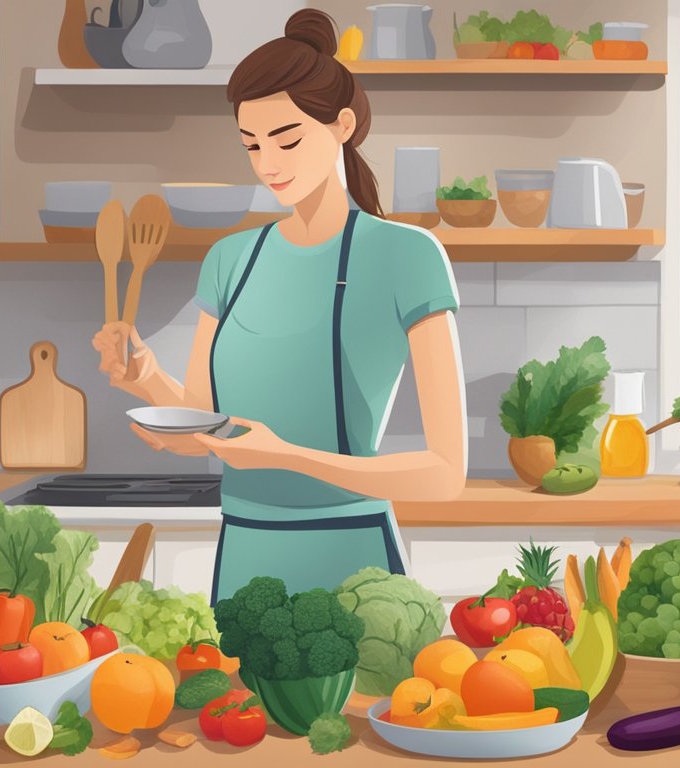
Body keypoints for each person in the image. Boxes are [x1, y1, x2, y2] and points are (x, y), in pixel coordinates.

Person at [93, 9, 467, 602]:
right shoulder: (230, 259)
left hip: (352, 562)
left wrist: (290, 457)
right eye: (251, 144)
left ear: (342, 125)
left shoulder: (406, 256)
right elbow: (204, 431)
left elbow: (446, 473)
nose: (268, 163)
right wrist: (146, 378)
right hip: (244, 557)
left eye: (287, 139)